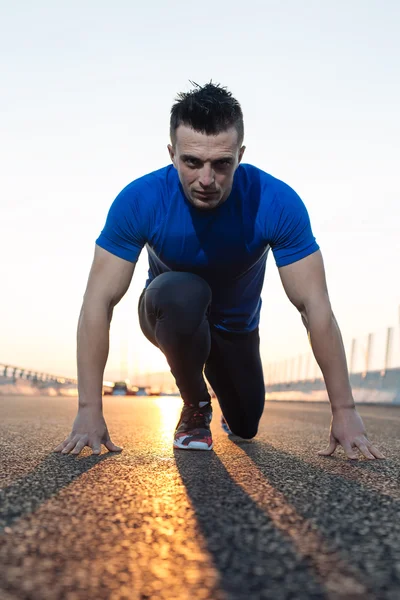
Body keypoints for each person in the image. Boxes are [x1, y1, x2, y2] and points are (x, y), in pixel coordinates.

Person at [55, 82, 384, 460]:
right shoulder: (140, 200)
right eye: (192, 162)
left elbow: (315, 307)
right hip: (169, 311)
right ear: (172, 154)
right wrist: (88, 411)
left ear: (240, 155)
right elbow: (97, 301)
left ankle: (229, 407)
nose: (206, 180)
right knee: (185, 292)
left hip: (236, 330)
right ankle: (196, 405)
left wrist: (344, 410)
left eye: (221, 164)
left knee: (247, 426)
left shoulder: (276, 202)